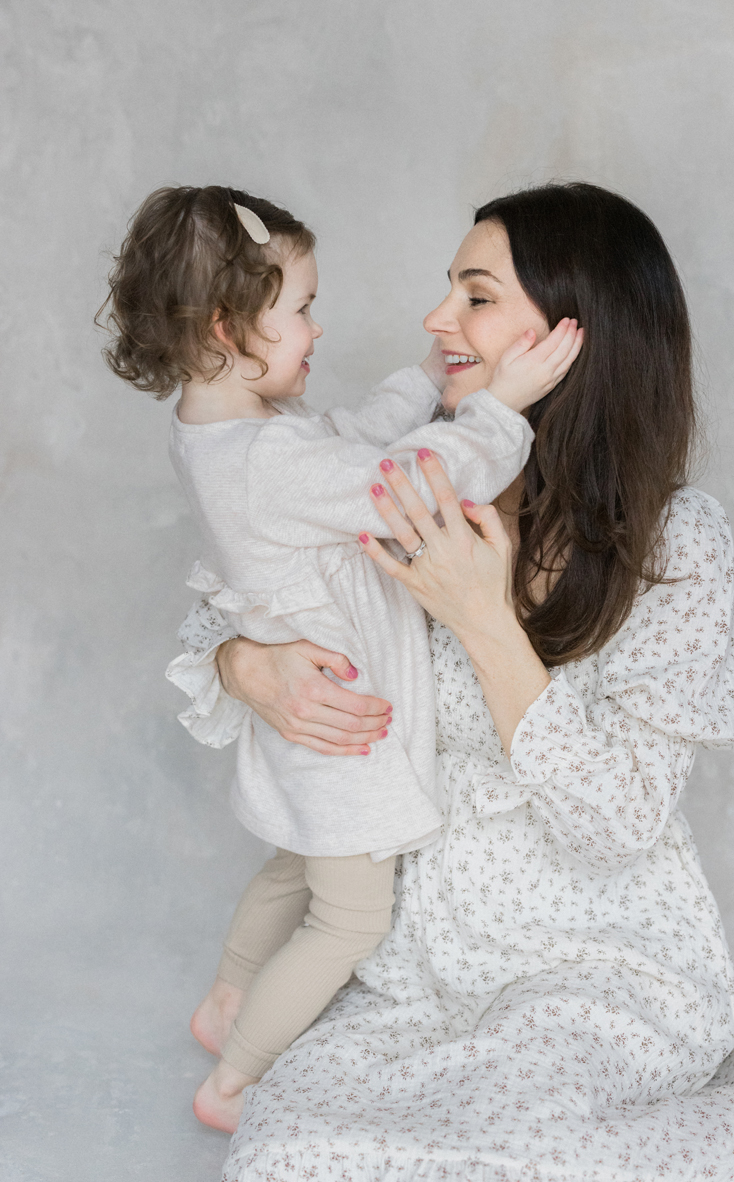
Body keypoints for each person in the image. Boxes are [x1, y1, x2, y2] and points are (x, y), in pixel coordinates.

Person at [171, 184, 734, 1181]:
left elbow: (616, 823)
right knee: (297, 1150)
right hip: (411, 949)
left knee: (538, 1141)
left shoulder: (678, 545)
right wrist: (245, 664)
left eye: (474, 296)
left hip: (589, 953)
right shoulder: (427, 467)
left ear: (571, 336)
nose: (435, 322)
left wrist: (480, 615)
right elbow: (250, 569)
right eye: (448, 292)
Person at [100, 184, 583, 1132]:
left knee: (296, 862)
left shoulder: (232, 433)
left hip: (310, 729)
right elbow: (420, 484)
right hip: (344, 730)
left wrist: (426, 374)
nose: (319, 329)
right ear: (229, 330)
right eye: (302, 309)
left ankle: (225, 997)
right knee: (349, 918)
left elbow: (353, 439)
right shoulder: (267, 465)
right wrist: (500, 404)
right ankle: (234, 1075)